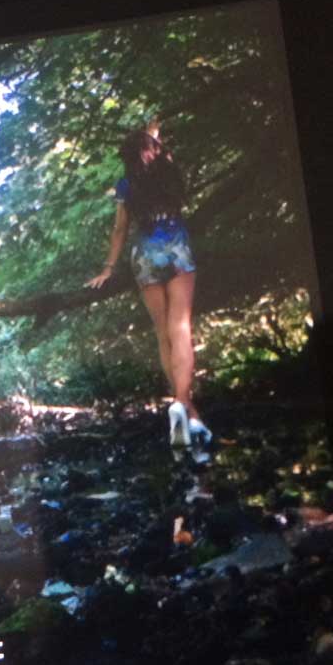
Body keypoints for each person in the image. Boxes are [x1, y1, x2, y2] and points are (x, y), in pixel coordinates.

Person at [86, 117, 211, 448]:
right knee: (180, 328)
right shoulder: (168, 171)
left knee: (162, 334)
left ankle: (187, 411)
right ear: (153, 149)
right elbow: (161, 154)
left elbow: (119, 230)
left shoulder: (127, 185)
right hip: (176, 249)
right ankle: (183, 405)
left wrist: (108, 268)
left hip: (144, 254)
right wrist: (154, 137)